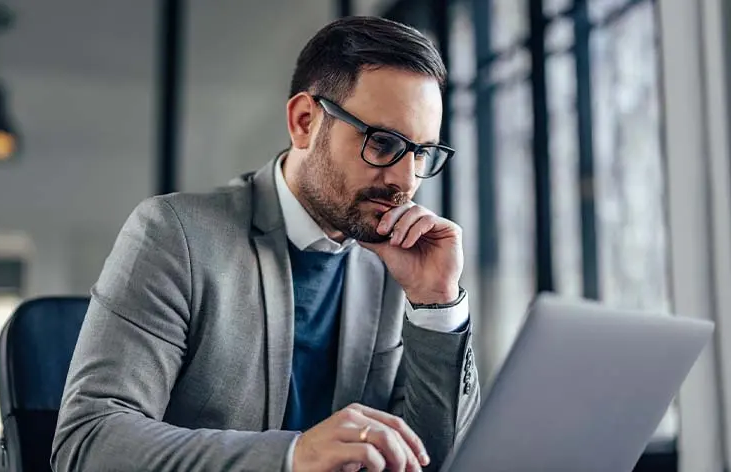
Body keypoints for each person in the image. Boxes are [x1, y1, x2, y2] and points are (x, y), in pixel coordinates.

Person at [52, 16, 480, 472]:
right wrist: (292, 458)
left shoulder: (403, 264)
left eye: (421, 153)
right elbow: (89, 442)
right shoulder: (176, 235)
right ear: (304, 122)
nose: (405, 180)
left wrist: (436, 303)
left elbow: (438, 458)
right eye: (383, 143)